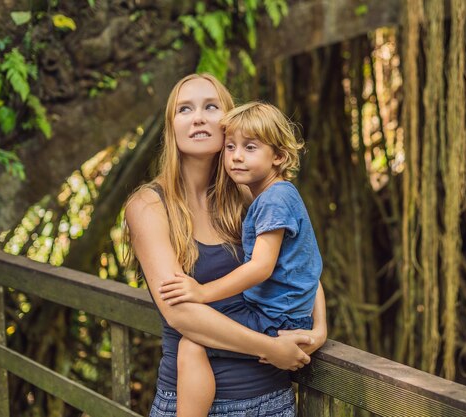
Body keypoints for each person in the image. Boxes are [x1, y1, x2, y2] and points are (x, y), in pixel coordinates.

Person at [124, 73, 327, 417]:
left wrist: (318, 330)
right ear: (171, 126)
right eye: (185, 109)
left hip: (271, 400)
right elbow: (181, 312)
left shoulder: (253, 195)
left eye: (211, 106)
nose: (199, 117)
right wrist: (271, 347)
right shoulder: (148, 206)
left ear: (229, 122)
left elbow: (298, 263)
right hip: (190, 403)